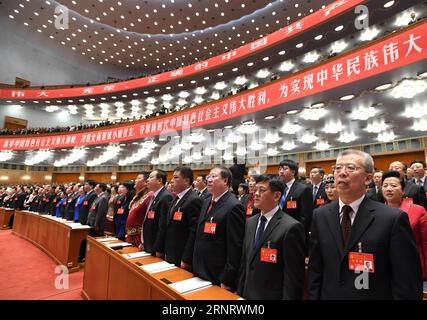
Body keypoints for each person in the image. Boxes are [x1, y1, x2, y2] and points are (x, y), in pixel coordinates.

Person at [308, 149, 423, 299]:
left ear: (368, 178)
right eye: (338, 168)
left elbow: (406, 279)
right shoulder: (320, 215)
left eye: (350, 168)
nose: (342, 173)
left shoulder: (392, 218)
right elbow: (316, 269)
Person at [238, 174, 306, 300]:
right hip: (247, 293)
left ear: (276, 196)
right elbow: (245, 261)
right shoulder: (250, 222)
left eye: (262, 190)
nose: (256, 194)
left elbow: (293, 277)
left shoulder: (291, 227)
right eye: (255, 190)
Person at [192, 166, 246, 291]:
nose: (209, 179)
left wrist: (227, 278)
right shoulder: (206, 201)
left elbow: (235, 246)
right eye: (208, 177)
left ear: (225, 181)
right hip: (199, 268)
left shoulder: (234, 206)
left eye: (214, 176)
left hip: (217, 273)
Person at [381, 170, 427, 281]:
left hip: (411, 266)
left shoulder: (418, 211)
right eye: (385, 185)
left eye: (393, 186)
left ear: (403, 190)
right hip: (384, 269)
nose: (388, 189)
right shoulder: (376, 212)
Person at [156, 167, 202, 269]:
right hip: (170, 252)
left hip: (181, 255)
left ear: (186, 181)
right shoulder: (176, 198)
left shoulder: (193, 200)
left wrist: (186, 259)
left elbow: (193, 232)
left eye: (176, 177)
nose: (172, 181)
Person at [278, 159, 313, 246]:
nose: (281, 171)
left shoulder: (303, 189)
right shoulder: (278, 188)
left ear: (293, 172)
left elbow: (305, 217)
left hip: (294, 233)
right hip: (278, 231)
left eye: (285, 169)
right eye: (280, 169)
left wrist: (298, 233)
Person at [142, 170, 173, 254]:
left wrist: (158, 248)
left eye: (151, 177)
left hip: (155, 246)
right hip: (148, 243)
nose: (147, 180)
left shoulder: (166, 196)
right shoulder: (154, 195)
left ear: (160, 181)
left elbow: (162, 226)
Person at [126, 172, 151, 247]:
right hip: (130, 234)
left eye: (138, 178)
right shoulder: (137, 196)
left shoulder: (149, 195)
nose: (135, 180)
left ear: (145, 183)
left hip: (140, 236)